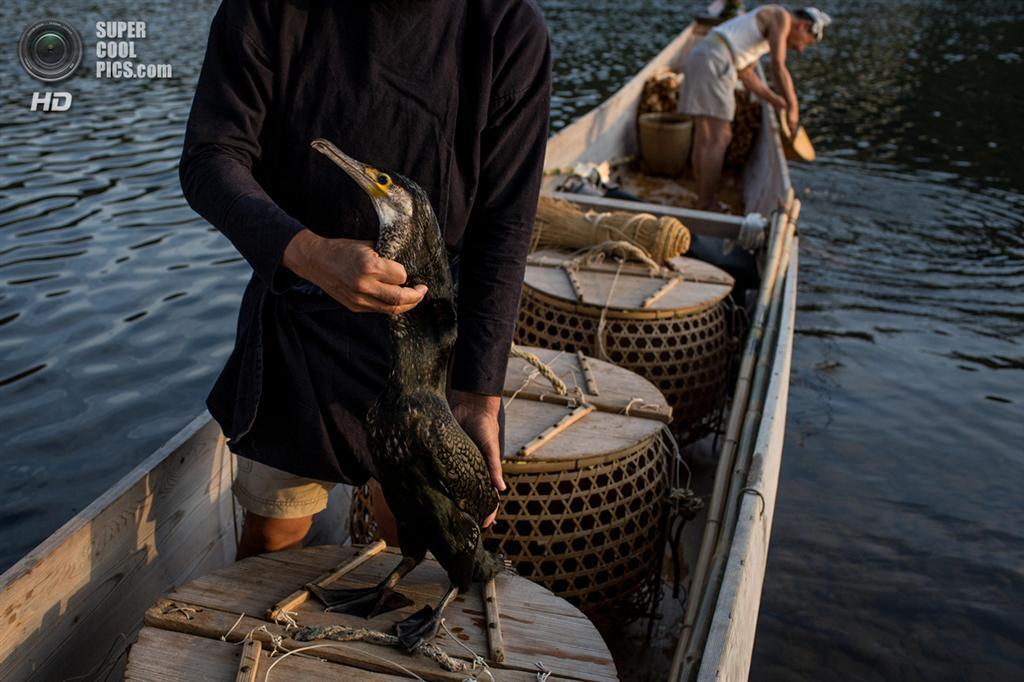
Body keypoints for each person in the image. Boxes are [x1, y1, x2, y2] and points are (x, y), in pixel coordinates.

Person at [178, 1, 551, 559]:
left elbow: (505, 223)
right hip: (298, 318)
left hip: (428, 338)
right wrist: (308, 253)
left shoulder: (507, 26)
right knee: (274, 534)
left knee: (413, 535)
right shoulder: (268, 10)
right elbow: (210, 158)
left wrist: (479, 396)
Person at [679, 5, 831, 210]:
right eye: (805, 43)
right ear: (803, 26)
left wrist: (776, 100)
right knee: (720, 136)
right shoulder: (780, 16)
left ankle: (702, 197)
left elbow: (747, 75)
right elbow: (778, 66)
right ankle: (707, 202)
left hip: (703, 55)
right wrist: (793, 105)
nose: (800, 49)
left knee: (704, 135)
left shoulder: (760, 33)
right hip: (717, 60)